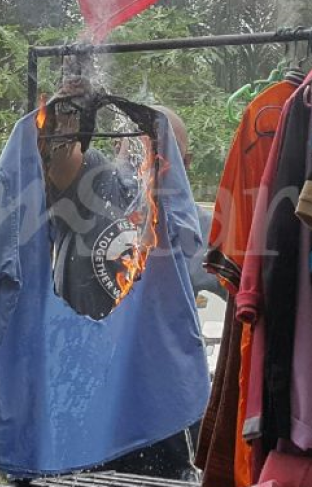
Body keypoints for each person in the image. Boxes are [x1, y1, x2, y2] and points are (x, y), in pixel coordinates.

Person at [43, 89, 205, 479]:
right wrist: (68, 108)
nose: (151, 159)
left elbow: (243, 308)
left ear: (185, 164)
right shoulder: (95, 180)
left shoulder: (195, 224)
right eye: (142, 145)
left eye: (165, 153)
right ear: (120, 144)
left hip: (161, 406)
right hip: (83, 387)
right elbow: (57, 158)